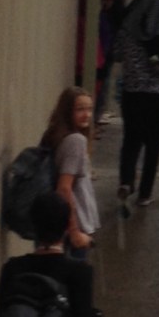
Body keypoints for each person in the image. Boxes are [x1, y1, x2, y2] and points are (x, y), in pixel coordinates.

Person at [113, 0, 159, 207]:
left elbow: (116, 55)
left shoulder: (129, 29)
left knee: (131, 139)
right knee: (154, 144)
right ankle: (145, 193)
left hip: (133, 93)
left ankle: (126, 181)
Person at [41, 87, 100, 258]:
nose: (86, 115)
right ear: (68, 111)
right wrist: (74, 232)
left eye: (89, 109)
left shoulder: (55, 135)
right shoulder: (76, 141)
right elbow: (64, 188)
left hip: (56, 226)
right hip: (74, 227)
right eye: (80, 109)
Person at [94, 0, 126, 125]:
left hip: (106, 49)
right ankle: (96, 117)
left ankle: (97, 116)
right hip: (104, 49)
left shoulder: (114, 3)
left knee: (103, 82)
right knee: (102, 83)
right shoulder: (114, 1)